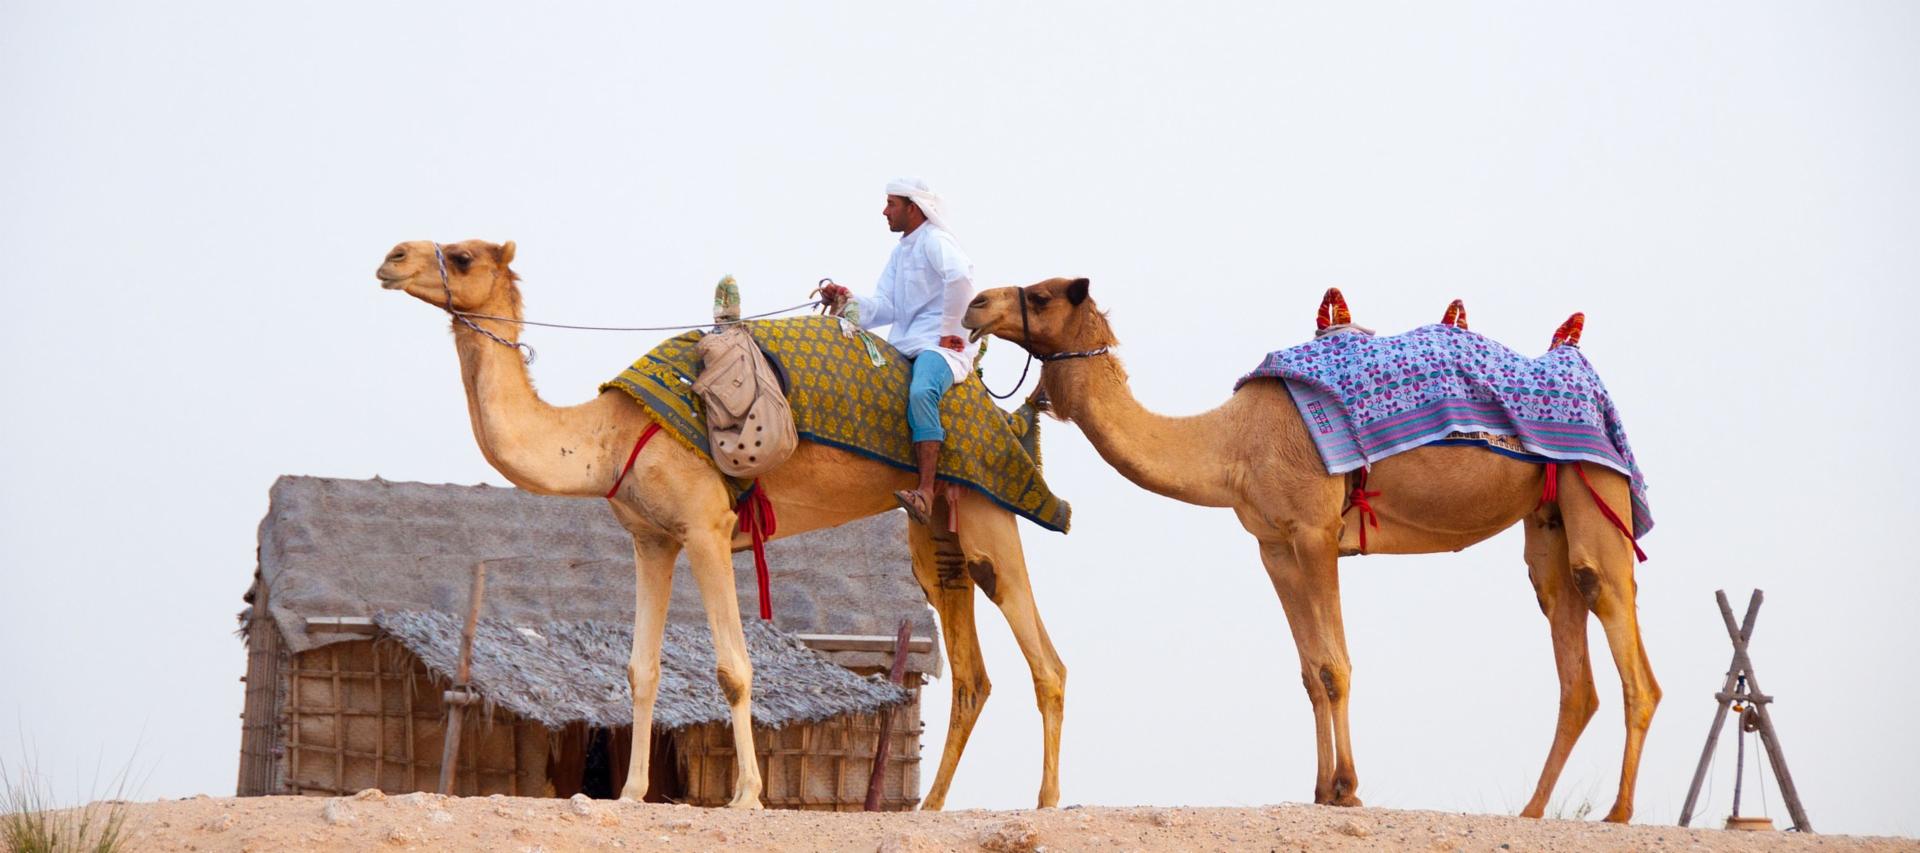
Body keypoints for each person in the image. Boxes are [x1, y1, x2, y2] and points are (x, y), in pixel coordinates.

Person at [814, 177, 977, 526]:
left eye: (892, 204)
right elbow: (886, 306)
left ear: (913, 208)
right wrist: (848, 301)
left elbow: (961, 277)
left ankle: (927, 491)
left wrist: (950, 331)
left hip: (939, 345)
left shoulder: (936, 241)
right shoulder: (901, 252)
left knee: (921, 392)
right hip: (905, 342)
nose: (885, 211)